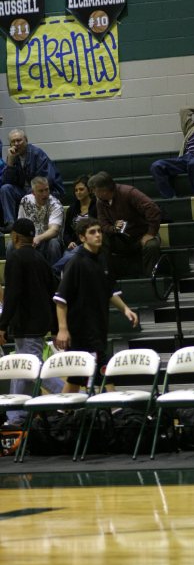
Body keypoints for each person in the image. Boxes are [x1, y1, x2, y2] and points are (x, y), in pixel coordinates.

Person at [54, 218, 138, 392]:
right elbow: (61, 300)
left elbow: (109, 292)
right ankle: (116, 412)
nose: (98, 235)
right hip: (81, 330)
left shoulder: (102, 259)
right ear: (82, 237)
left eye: (99, 231)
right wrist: (63, 329)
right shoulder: (75, 262)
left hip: (99, 327)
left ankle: (62, 414)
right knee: (103, 372)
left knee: (77, 378)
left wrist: (125, 309)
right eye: (92, 232)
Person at [0, 218, 63, 426]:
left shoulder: (15, 258)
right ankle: (17, 415)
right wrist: (54, 327)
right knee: (23, 367)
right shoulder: (41, 258)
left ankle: (68, 394)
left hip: (26, 323)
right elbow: (53, 293)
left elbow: (12, 295)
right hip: (39, 321)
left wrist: (2, 324)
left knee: (33, 368)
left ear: (16, 236)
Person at [88, 171, 161, 277]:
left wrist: (151, 233)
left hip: (142, 234)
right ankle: (106, 277)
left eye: (94, 191)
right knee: (99, 239)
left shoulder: (128, 193)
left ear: (103, 191)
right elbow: (103, 225)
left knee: (152, 246)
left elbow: (153, 209)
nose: (93, 194)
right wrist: (113, 228)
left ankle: (150, 282)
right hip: (121, 237)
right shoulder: (100, 202)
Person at [0, 129, 64, 233]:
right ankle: (11, 224)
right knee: (5, 189)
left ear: (26, 140)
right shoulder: (12, 156)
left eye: (19, 140)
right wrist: (10, 163)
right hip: (24, 192)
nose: (16, 144)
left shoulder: (37, 154)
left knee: (33, 192)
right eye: (13, 141)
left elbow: (46, 180)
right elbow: (7, 181)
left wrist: (29, 194)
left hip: (44, 191)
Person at [53, 175, 98, 275]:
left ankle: (53, 270)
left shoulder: (97, 207)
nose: (78, 192)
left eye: (81, 189)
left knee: (71, 255)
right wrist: (69, 242)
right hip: (74, 246)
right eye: (76, 190)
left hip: (90, 242)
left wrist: (77, 243)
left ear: (89, 190)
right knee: (69, 255)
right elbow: (66, 232)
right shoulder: (72, 209)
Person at [16, 176, 64, 266]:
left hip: (48, 241)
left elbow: (54, 230)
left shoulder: (55, 204)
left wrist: (38, 238)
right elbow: (20, 224)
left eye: (46, 190)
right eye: (41, 191)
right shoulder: (26, 201)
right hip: (30, 240)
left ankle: (54, 277)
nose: (45, 194)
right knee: (12, 245)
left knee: (54, 244)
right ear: (33, 192)